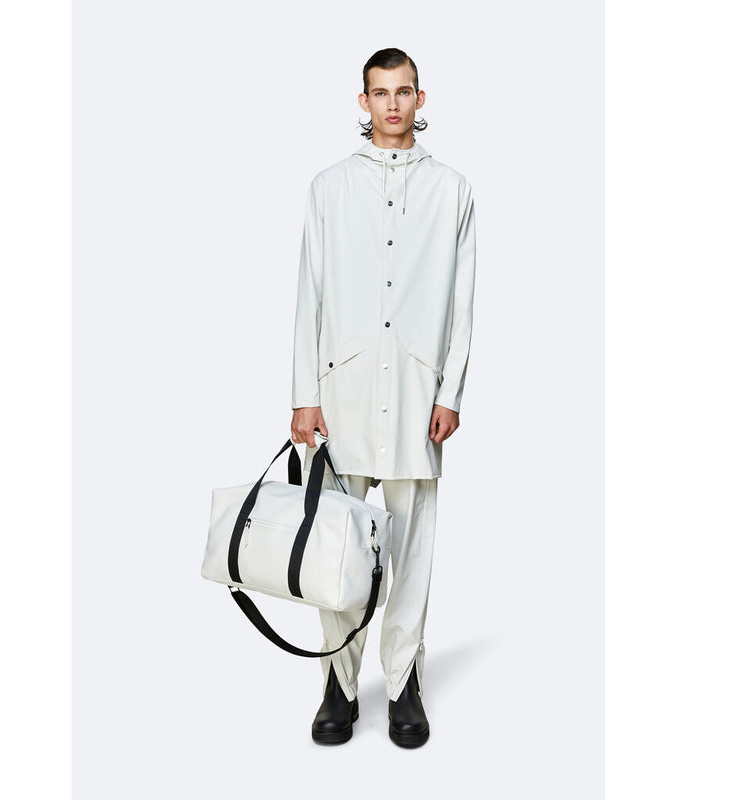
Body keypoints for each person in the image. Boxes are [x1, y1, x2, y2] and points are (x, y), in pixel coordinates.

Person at [290, 47, 477, 748]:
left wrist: (450, 390)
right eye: (380, 92)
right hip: (343, 396)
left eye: (403, 92)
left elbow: (463, 302)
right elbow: (309, 294)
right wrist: (304, 394)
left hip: (418, 398)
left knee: (413, 553)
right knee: (339, 548)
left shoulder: (452, 190)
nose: (392, 104)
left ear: (420, 99)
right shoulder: (329, 188)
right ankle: (339, 683)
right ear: (363, 101)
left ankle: (403, 683)